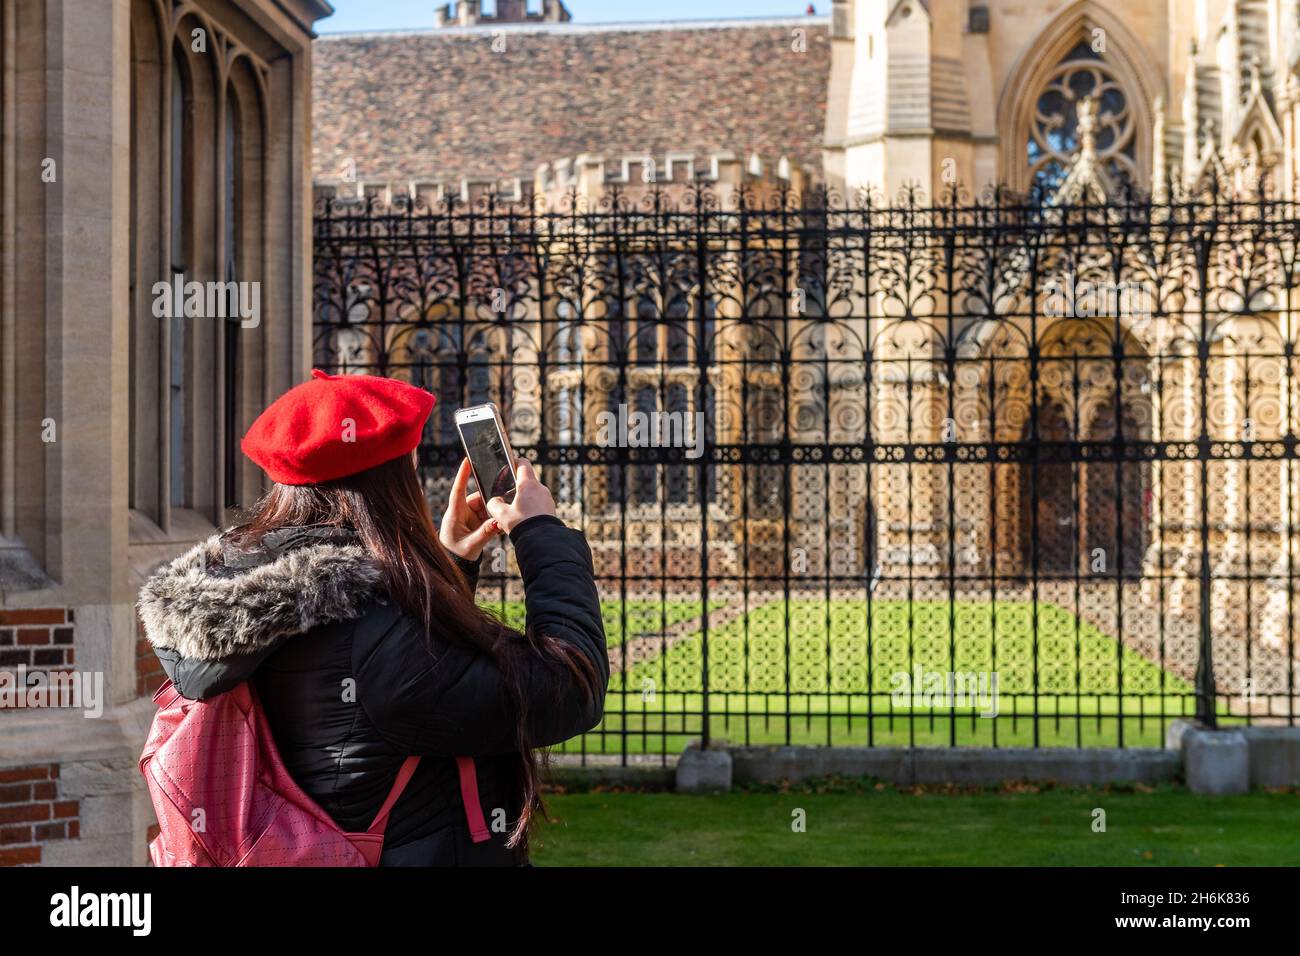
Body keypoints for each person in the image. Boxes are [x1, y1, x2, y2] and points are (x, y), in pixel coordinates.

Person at [138, 370, 608, 866]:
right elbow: (568, 687)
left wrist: (448, 565)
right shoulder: (378, 633)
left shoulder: (257, 592)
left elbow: (392, 686)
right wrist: (542, 535)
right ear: (391, 485)